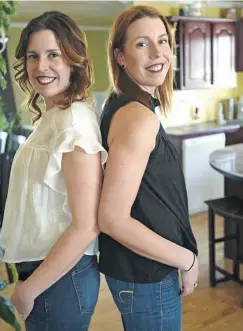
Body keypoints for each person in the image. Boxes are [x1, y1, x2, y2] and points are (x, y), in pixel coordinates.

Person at [0, 10, 107, 331]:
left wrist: (30, 289)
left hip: (60, 278)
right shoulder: (54, 117)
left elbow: (87, 226)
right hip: (51, 273)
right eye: (33, 56)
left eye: (53, 55)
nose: (41, 66)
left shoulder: (74, 124)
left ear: (74, 61)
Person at [98, 5, 199, 331]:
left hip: (141, 273)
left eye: (162, 41)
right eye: (142, 44)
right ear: (121, 57)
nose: (158, 52)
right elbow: (112, 219)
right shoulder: (137, 117)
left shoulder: (126, 104)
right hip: (148, 275)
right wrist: (188, 260)